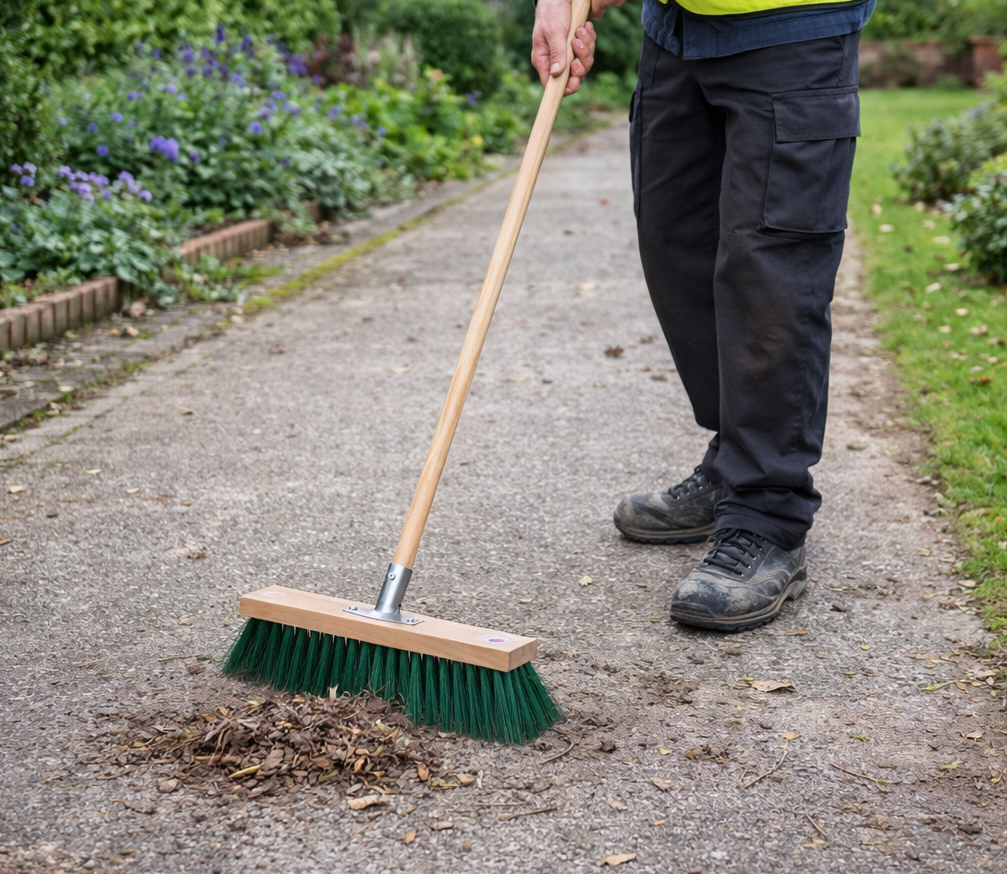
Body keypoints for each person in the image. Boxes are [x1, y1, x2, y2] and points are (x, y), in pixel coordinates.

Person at [533, 0, 876, 632]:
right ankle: (733, 466)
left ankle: (768, 509)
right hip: (676, 29)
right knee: (676, 243)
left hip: (793, 26)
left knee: (770, 273)